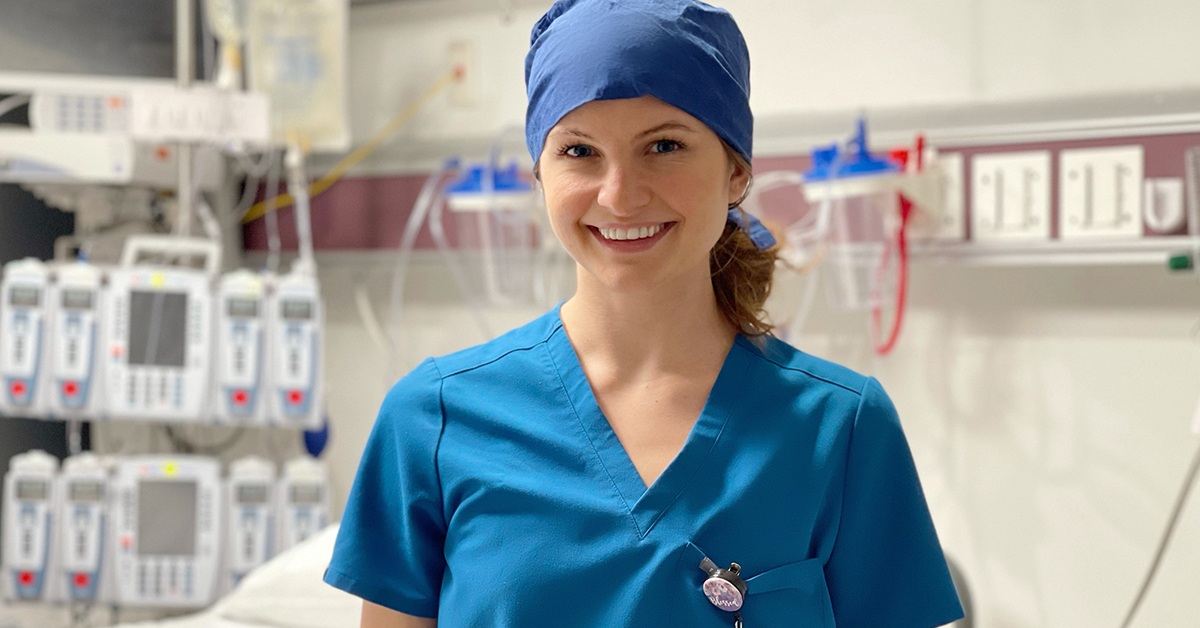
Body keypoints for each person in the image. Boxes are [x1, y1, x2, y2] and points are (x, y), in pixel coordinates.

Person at [324, 1, 965, 626]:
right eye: (578, 152)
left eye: (663, 146)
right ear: (539, 176)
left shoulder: (839, 430)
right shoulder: (433, 422)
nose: (620, 194)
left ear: (736, 172)